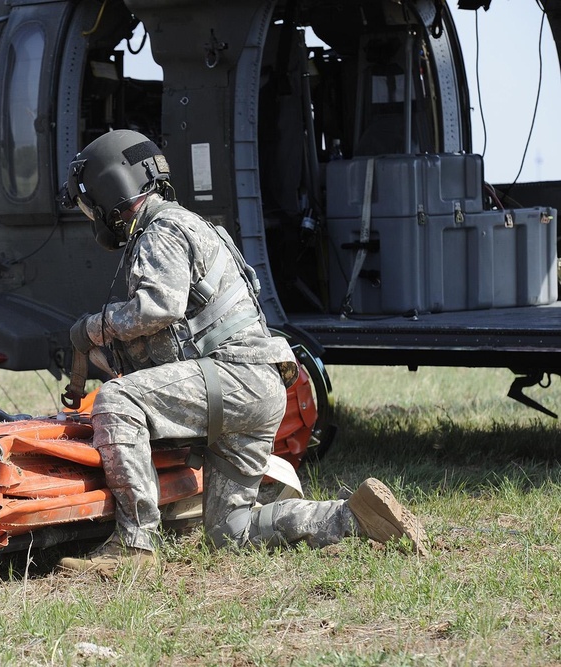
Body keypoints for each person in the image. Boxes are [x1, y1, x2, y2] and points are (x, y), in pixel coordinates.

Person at [56, 129, 426, 575]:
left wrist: (91, 328)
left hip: (231, 379)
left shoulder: (162, 230)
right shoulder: (193, 224)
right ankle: (354, 517)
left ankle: (135, 546)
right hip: (259, 387)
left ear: (112, 189)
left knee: (119, 400)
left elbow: (157, 308)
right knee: (231, 531)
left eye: (91, 202)